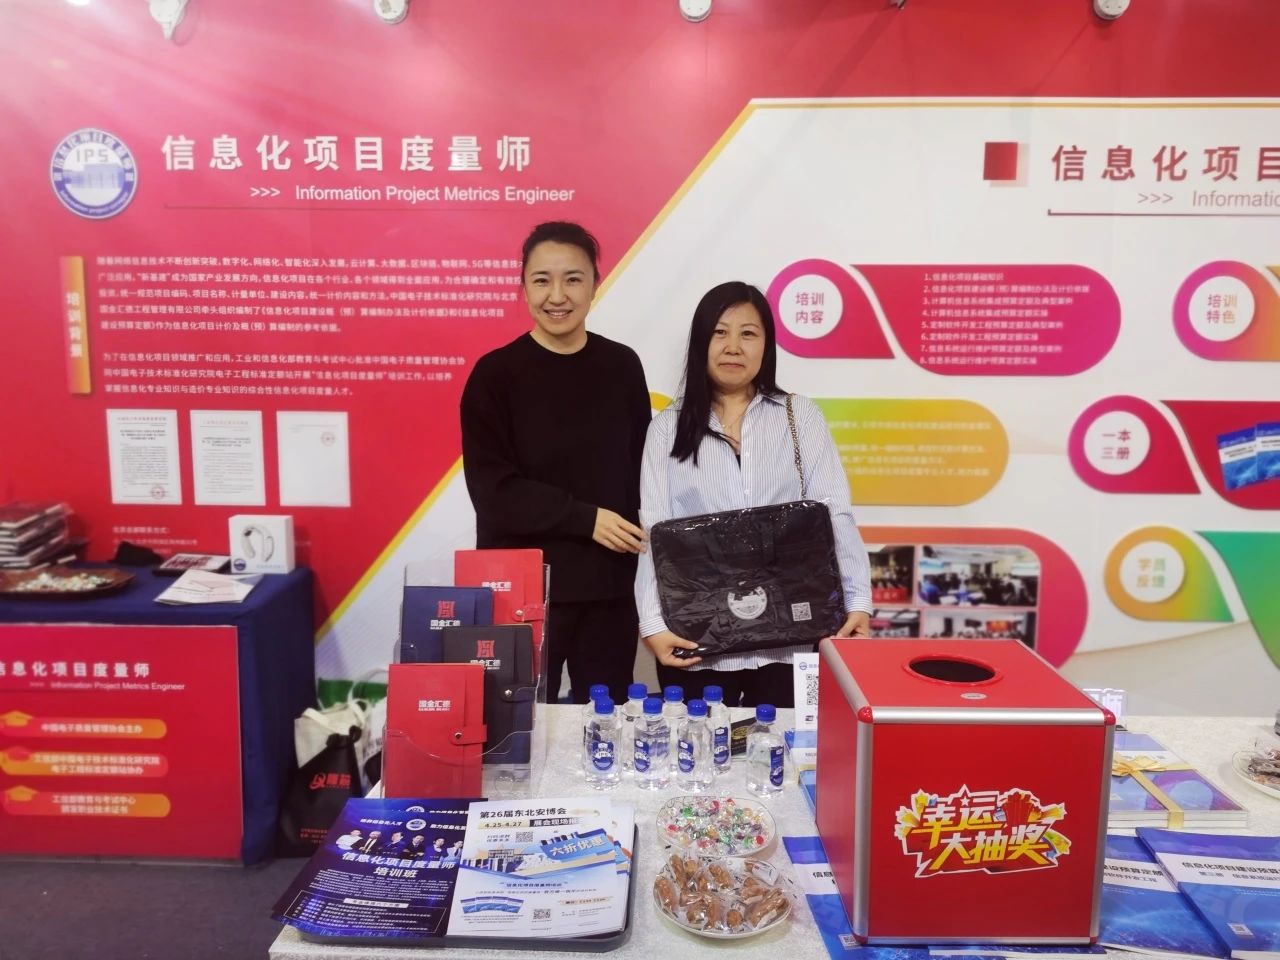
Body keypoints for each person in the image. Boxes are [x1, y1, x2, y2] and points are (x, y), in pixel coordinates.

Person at [634, 281, 873, 708]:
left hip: (790, 635)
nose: (733, 347)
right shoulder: (667, 428)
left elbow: (834, 512)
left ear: (766, 345)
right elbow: (654, 532)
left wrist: (856, 600)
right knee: (699, 743)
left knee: (787, 742)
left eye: (748, 333)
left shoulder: (800, 415)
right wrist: (653, 624)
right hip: (698, 637)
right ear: (701, 342)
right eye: (719, 332)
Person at [461, 221, 651, 705]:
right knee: (516, 728)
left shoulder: (622, 366)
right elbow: (493, 491)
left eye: (573, 279)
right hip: (522, 591)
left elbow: (641, 472)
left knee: (604, 724)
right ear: (523, 286)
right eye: (542, 280)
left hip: (608, 589)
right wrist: (584, 518)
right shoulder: (495, 375)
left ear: (595, 284)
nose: (557, 295)